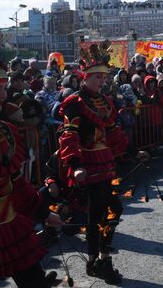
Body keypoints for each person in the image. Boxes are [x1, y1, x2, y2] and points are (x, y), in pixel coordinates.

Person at [0, 34, 62, 287]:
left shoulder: (7, 129)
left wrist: (43, 213)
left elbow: (16, 182)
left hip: (8, 222)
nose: (3, 94)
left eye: (3, 88)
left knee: (33, 281)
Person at [57, 41, 134, 284]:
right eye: (98, 77)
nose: (102, 81)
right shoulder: (75, 103)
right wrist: (76, 164)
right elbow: (68, 136)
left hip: (105, 164)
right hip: (88, 165)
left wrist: (132, 152)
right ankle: (101, 260)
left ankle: (95, 261)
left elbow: (113, 133)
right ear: (85, 77)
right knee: (108, 211)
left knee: (99, 214)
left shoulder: (104, 101)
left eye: (104, 77)